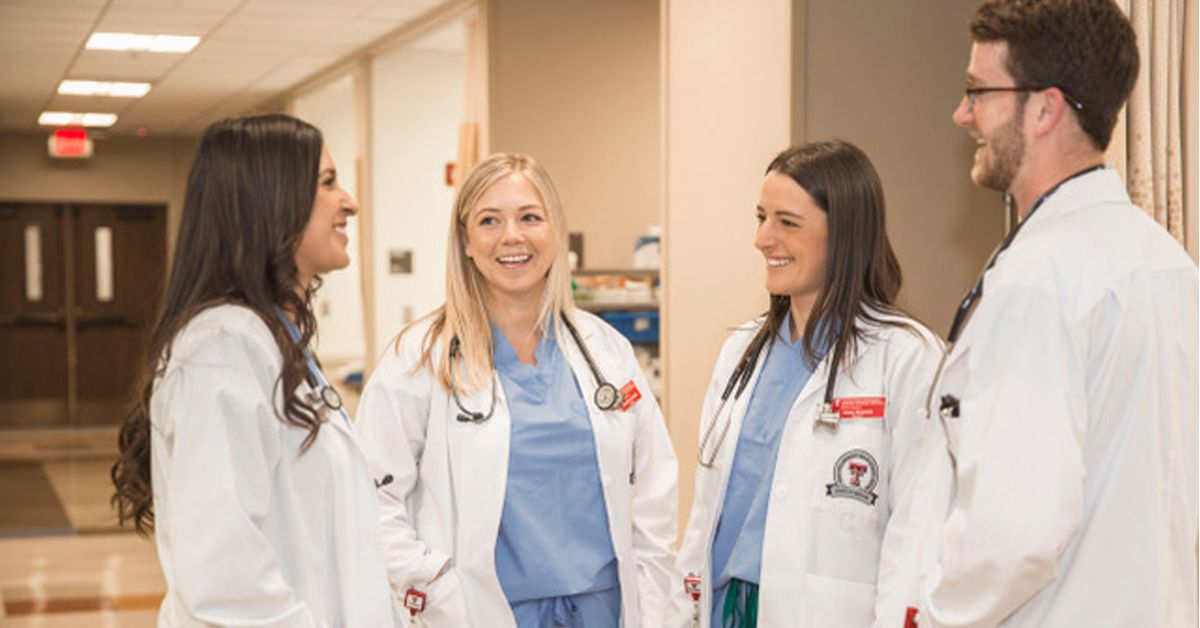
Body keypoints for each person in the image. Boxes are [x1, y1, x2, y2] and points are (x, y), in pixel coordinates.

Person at [918, 0, 1199, 625]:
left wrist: (931, 614)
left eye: (977, 92)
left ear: (1043, 108)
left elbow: (1012, 530)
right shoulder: (1170, 264)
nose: (961, 114)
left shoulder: (1040, 278)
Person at [354, 152, 677, 627]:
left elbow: (653, 488)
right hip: (484, 609)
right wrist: (431, 582)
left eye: (530, 217)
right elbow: (370, 495)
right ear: (465, 240)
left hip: (604, 608)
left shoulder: (605, 350)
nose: (512, 236)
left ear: (554, 231)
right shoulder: (418, 358)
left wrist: (656, 603)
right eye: (489, 220)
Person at [110, 113, 400, 627]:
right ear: (272, 203)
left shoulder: (269, 341)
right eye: (328, 184)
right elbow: (223, 576)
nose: (349, 202)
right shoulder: (222, 349)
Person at [671, 140, 948, 628]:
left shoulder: (906, 358)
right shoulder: (742, 353)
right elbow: (706, 516)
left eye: (787, 222)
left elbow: (919, 530)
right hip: (724, 610)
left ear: (844, 234)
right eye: (761, 217)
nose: (762, 238)